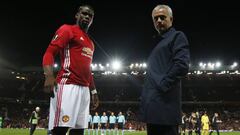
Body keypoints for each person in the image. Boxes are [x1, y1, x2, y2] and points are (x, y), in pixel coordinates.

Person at [42, 4, 99, 135]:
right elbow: (49, 53)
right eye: (84, 14)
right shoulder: (67, 29)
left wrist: (94, 91)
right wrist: (49, 76)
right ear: (77, 15)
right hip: (68, 86)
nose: (87, 17)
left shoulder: (90, 43)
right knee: (60, 129)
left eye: (90, 16)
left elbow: (87, 70)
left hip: (84, 91)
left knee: (79, 131)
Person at [139, 4, 190, 135]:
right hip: (153, 106)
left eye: (162, 17)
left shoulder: (177, 36)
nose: (159, 21)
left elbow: (182, 65)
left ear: (171, 19)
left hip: (165, 107)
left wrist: (162, 85)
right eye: (155, 18)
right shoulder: (156, 42)